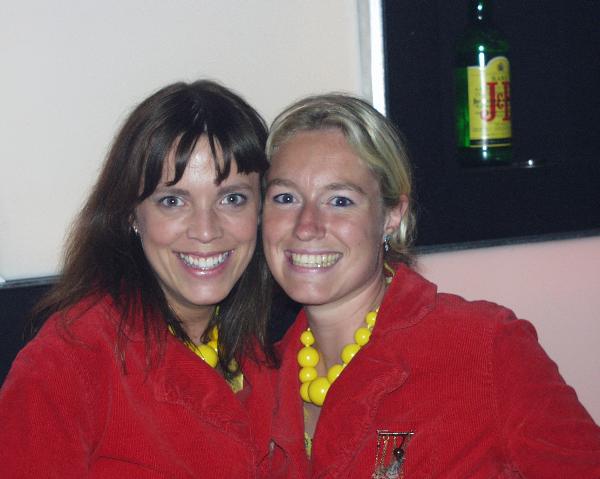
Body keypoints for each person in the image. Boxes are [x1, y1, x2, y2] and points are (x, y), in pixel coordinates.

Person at [261, 93, 600, 477]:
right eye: (285, 198)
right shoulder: (256, 378)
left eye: (340, 201)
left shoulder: (483, 347)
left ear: (392, 215)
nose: (306, 226)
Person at [0, 80, 277, 478]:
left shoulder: (274, 346)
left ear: (262, 210)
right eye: (173, 201)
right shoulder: (65, 365)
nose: (205, 230)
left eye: (232, 198)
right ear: (132, 214)